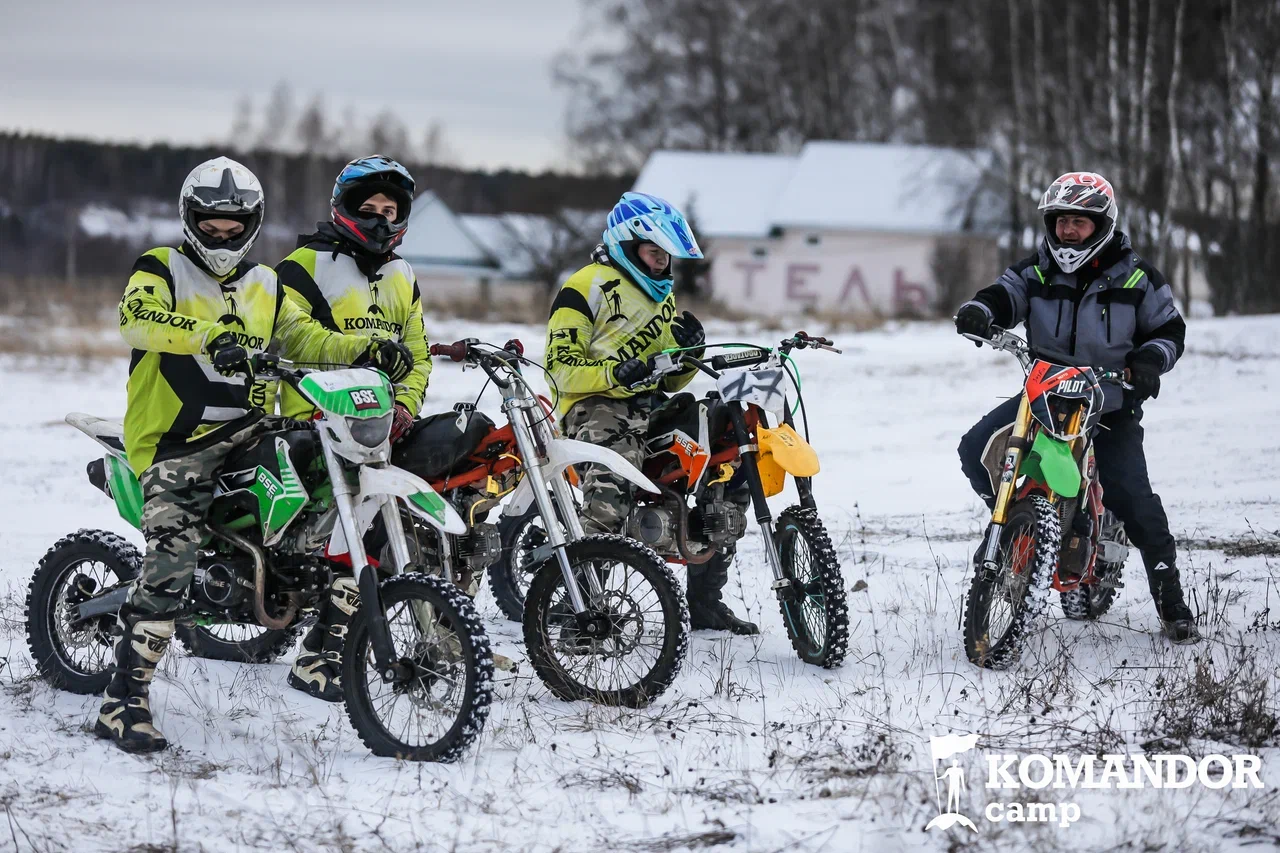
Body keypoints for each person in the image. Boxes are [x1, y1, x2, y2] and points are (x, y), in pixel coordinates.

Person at [97, 157, 415, 753]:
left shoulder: (266, 283)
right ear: (191, 219)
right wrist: (206, 335)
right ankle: (124, 698)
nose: (222, 234)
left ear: (252, 222)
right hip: (174, 443)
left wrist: (368, 347)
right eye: (211, 223)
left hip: (251, 429)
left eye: (233, 223)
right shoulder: (160, 267)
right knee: (175, 553)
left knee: (329, 485)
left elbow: (308, 339)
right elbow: (135, 318)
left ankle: (310, 625)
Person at [954, 171, 1198, 643]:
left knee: (1132, 496)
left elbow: (1170, 331)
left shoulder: (1137, 278)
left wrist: (1149, 361)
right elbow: (1005, 295)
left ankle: (1171, 600)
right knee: (974, 449)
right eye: (1061, 220)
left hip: (1108, 405)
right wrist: (982, 311)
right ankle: (1017, 531)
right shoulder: (1036, 270)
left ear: (1102, 224)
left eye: (1079, 223)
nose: (1068, 231)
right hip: (1044, 396)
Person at [545, 191, 758, 635]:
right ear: (626, 246)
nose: (661, 263)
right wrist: (615, 374)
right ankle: (576, 609)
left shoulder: (662, 297)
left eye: (666, 256)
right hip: (592, 408)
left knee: (729, 450)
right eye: (653, 252)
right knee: (613, 486)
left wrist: (686, 355)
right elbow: (559, 368)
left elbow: (664, 380)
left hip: (650, 406)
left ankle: (705, 601)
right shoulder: (583, 285)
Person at [273, 155, 432, 700]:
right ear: (343, 208)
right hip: (306, 419)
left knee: (373, 531)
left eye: (392, 210)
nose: (382, 220)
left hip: (374, 427)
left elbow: (416, 350)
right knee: (327, 534)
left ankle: (327, 651)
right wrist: (358, 351)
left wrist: (407, 402)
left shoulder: (402, 275)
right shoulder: (303, 265)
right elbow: (288, 338)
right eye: (370, 209)